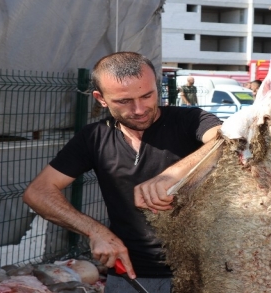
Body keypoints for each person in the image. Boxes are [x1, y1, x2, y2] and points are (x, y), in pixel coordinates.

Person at [23, 52, 222, 293]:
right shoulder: (94, 137)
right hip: (129, 277)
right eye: (124, 101)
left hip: (202, 272)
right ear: (101, 98)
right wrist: (95, 231)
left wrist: (173, 175)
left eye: (147, 95)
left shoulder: (190, 120)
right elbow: (38, 192)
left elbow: (228, 141)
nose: (139, 109)